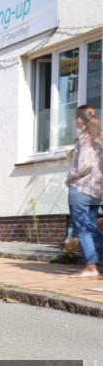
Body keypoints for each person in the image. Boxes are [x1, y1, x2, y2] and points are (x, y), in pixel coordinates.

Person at [66, 104, 103, 279]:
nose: (75, 121)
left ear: (80, 119)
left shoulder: (85, 138)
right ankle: (95, 263)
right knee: (92, 227)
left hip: (81, 188)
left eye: (75, 117)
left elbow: (86, 165)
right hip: (96, 190)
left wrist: (70, 177)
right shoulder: (100, 138)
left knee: (83, 228)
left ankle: (90, 266)